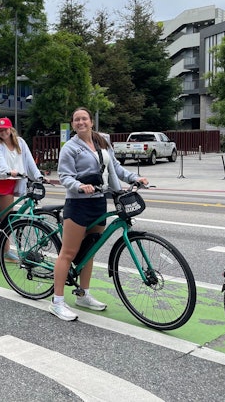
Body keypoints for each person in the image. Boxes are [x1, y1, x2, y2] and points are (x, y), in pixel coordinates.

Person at [49, 107, 149, 321]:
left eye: (84, 118)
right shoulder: (70, 148)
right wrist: (79, 186)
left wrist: (134, 178)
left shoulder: (102, 141)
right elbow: (64, 176)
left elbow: (116, 167)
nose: (80, 122)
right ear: (73, 124)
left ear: (91, 122)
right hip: (78, 204)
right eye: (76, 119)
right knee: (68, 253)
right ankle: (57, 301)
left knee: (90, 252)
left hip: (99, 201)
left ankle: (83, 294)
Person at [0, 117, 43, 260]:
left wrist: (39, 176)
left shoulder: (21, 143)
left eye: (5, 129)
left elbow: (29, 161)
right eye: (0, 130)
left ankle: (6, 251)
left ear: (11, 129)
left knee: (7, 219)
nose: (3, 132)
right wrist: (8, 171)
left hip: (10, 184)